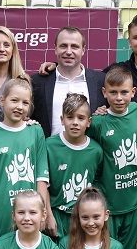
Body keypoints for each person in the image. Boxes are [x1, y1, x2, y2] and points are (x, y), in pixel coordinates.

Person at [0, 76, 49, 242]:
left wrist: (43, 211)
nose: (19, 106)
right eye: (14, 100)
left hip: (30, 213)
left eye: (25, 103)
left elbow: (41, 178)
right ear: (2, 100)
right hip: (0, 212)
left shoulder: (35, 131)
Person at [88, 66, 137, 249]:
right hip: (109, 201)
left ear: (133, 92)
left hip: (135, 200)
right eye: (113, 92)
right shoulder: (98, 122)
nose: (119, 98)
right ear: (104, 92)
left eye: (124, 92)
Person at [40, 93, 104, 239]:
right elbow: (44, 184)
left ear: (89, 121)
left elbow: (98, 183)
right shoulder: (49, 146)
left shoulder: (96, 151)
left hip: (84, 217)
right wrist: (48, 214)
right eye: (70, 117)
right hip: (57, 215)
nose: (75, 122)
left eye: (81, 118)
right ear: (62, 120)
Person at [30, 26, 106, 137]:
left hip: (90, 147)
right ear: (55, 49)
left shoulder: (101, 81)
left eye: (74, 46)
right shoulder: (37, 82)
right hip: (48, 147)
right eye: (63, 46)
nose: (69, 51)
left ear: (83, 50)